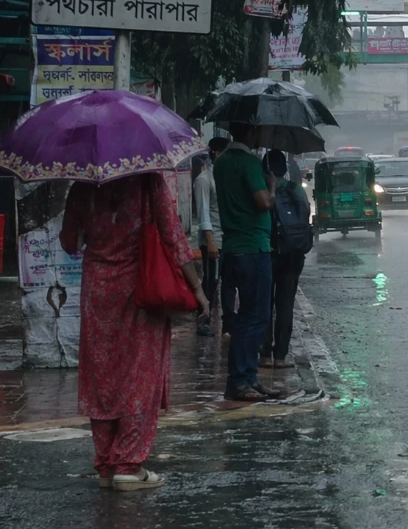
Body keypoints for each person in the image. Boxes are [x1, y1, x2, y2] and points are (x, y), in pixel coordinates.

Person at [60, 173, 210, 492]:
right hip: (141, 290)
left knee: (101, 377)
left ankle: (105, 464)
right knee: (139, 374)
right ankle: (129, 463)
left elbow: (69, 242)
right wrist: (197, 288)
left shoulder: (81, 187)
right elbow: (173, 239)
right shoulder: (148, 182)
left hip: (97, 293)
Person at [214, 123, 280, 402]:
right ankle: (240, 379)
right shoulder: (249, 162)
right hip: (253, 248)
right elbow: (264, 202)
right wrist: (272, 186)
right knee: (255, 316)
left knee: (245, 316)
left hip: (233, 248)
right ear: (250, 131)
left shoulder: (222, 162)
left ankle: (249, 377)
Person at [260, 150, 311, 369]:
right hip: (294, 253)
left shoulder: (263, 192)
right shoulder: (296, 189)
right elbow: (305, 215)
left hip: (268, 252)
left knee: (264, 304)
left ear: (266, 170)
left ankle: (264, 355)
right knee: (286, 305)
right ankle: (280, 356)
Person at [193, 137, 231, 336]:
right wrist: (210, 241)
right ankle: (202, 320)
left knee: (228, 282)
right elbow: (203, 214)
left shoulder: (224, 177)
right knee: (211, 281)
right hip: (212, 241)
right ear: (217, 153)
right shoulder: (203, 180)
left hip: (228, 239)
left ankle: (228, 322)